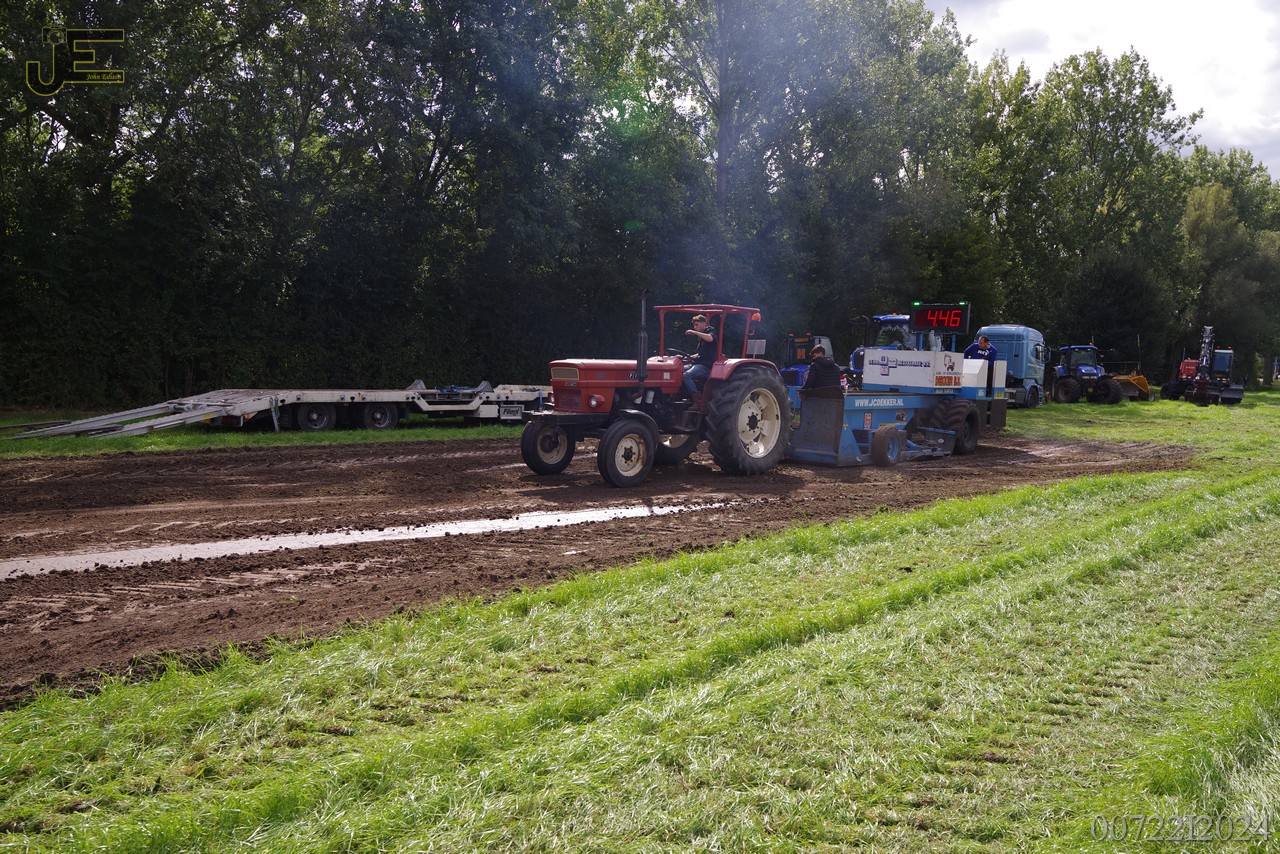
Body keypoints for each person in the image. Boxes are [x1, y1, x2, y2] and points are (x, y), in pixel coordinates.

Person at [681, 314, 718, 398]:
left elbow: (710, 338)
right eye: (694, 325)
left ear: (703, 323)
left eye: (696, 325)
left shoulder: (710, 331)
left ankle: (697, 398)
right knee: (679, 370)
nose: (695, 327)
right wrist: (687, 356)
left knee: (686, 375)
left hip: (706, 365)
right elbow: (700, 354)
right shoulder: (702, 338)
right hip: (698, 363)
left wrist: (694, 332)